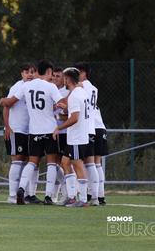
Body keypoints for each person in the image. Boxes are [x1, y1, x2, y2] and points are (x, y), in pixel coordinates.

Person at [0, 60, 64, 205]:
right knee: (51, 163)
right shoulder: (51, 86)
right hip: (50, 130)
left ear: (37, 72)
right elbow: (62, 104)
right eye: (51, 74)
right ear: (48, 72)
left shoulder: (27, 86)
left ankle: (21, 188)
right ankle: (48, 196)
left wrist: (2, 100)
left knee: (32, 162)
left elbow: (10, 102)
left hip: (33, 131)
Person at [3, 63, 42, 204]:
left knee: (31, 161)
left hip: (30, 130)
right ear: (22, 74)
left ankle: (28, 194)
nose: (30, 74)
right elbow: (6, 105)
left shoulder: (34, 87)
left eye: (32, 72)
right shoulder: (17, 87)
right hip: (16, 128)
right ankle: (12, 195)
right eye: (26, 72)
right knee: (18, 159)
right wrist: (7, 126)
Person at [52, 67, 90, 207]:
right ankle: (72, 196)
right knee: (65, 162)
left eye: (64, 77)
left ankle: (83, 199)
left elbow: (74, 118)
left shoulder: (74, 95)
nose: (63, 79)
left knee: (77, 165)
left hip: (77, 137)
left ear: (67, 79)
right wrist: (65, 109)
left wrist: (59, 127)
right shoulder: (81, 93)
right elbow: (75, 113)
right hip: (78, 135)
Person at [74, 62, 99, 206]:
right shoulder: (94, 88)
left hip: (83, 129)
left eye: (78, 72)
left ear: (83, 73)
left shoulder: (81, 87)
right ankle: (94, 197)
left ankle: (81, 196)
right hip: (91, 128)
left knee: (78, 162)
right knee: (91, 164)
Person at [51, 67, 70, 204]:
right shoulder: (50, 89)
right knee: (55, 163)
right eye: (54, 76)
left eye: (58, 76)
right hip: (53, 132)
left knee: (64, 163)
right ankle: (54, 195)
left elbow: (68, 114)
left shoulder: (67, 93)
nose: (55, 78)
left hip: (64, 132)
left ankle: (69, 192)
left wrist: (57, 113)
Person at [94, 106, 108, 205]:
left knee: (90, 164)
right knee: (96, 163)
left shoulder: (81, 92)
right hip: (101, 128)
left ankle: (93, 195)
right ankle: (100, 196)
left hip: (93, 129)